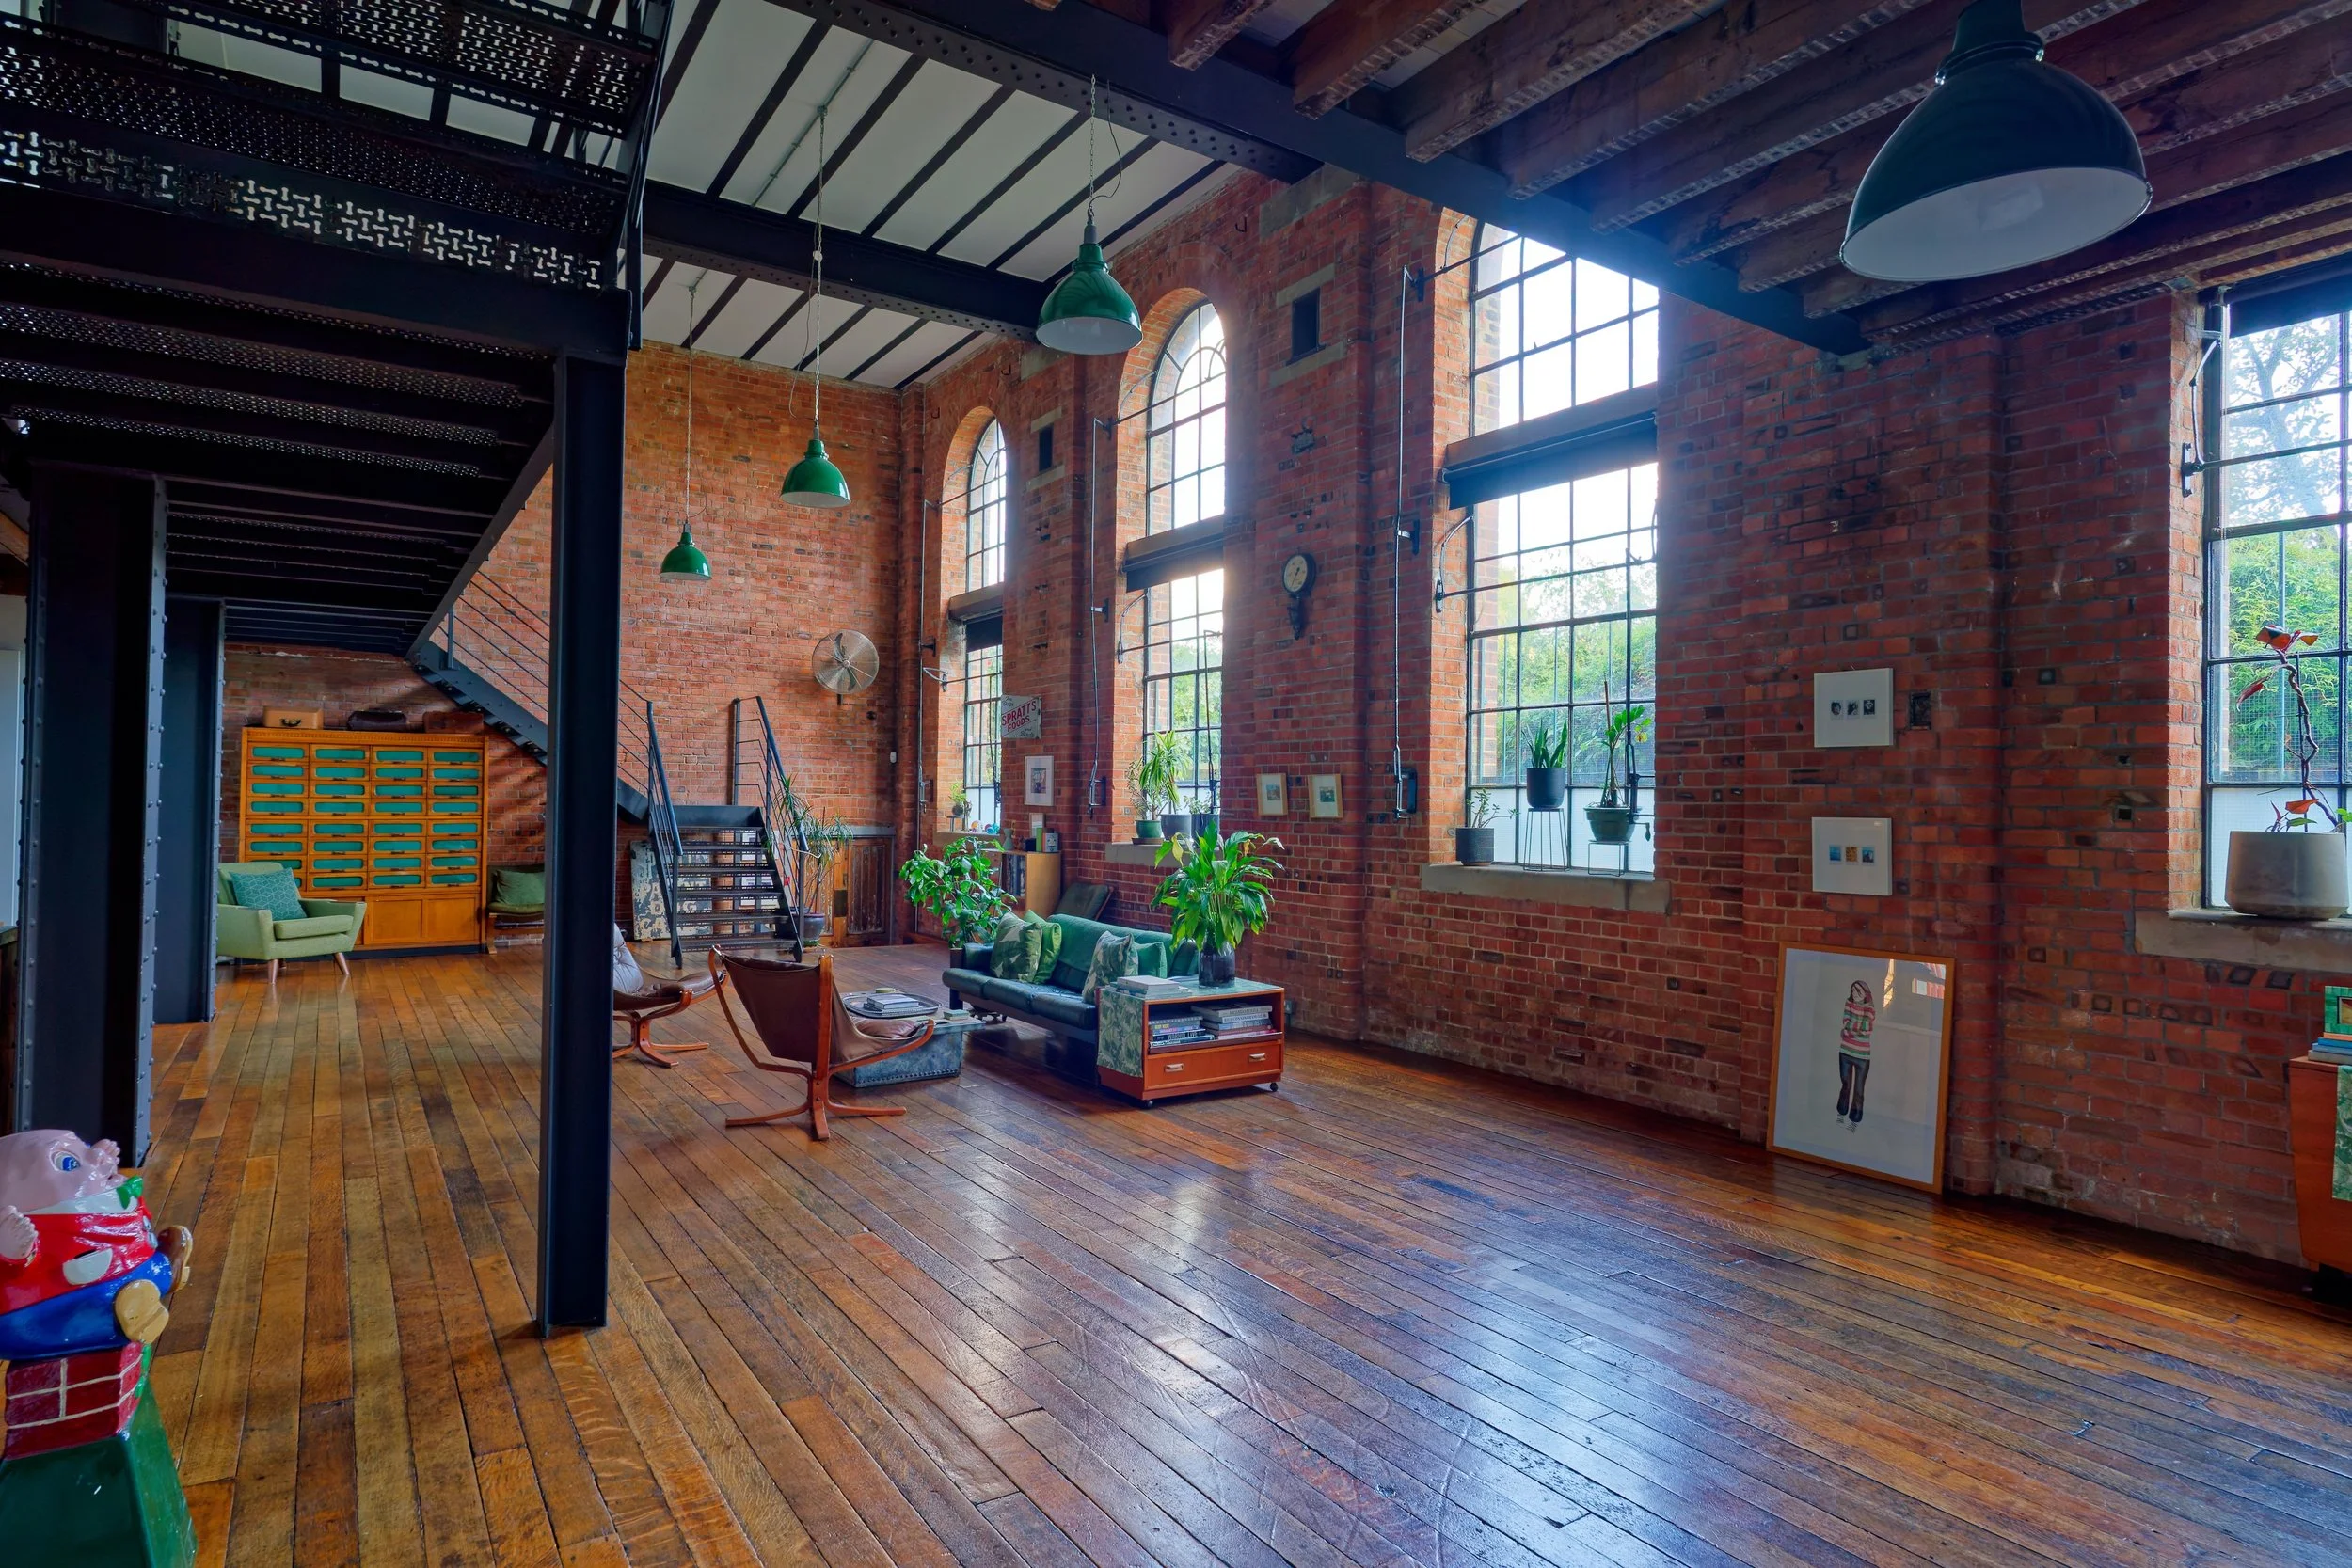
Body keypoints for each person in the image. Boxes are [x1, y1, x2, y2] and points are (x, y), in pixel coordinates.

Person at [1835, 980, 1875, 1126]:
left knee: (1859, 1090)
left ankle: (1855, 1120)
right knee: (1846, 1085)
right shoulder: (1848, 1003)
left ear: (1866, 993)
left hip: (1863, 1056)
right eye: (1853, 991)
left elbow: (1867, 1028)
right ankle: (1841, 1113)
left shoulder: (1870, 1009)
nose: (1855, 994)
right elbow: (1846, 1022)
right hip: (1845, 1052)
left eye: (1858, 991)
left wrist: (1847, 1032)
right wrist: (1851, 1029)